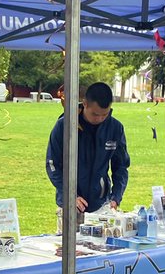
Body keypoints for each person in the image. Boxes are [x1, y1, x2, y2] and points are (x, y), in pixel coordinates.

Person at [45, 82, 129, 219]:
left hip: (101, 205)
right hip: (69, 205)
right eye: (95, 114)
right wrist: (70, 195)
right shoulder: (65, 125)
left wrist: (116, 197)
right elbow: (52, 164)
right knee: (68, 240)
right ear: (85, 104)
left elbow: (121, 167)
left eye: (105, 114)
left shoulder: (115, 128)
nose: (100, 119)